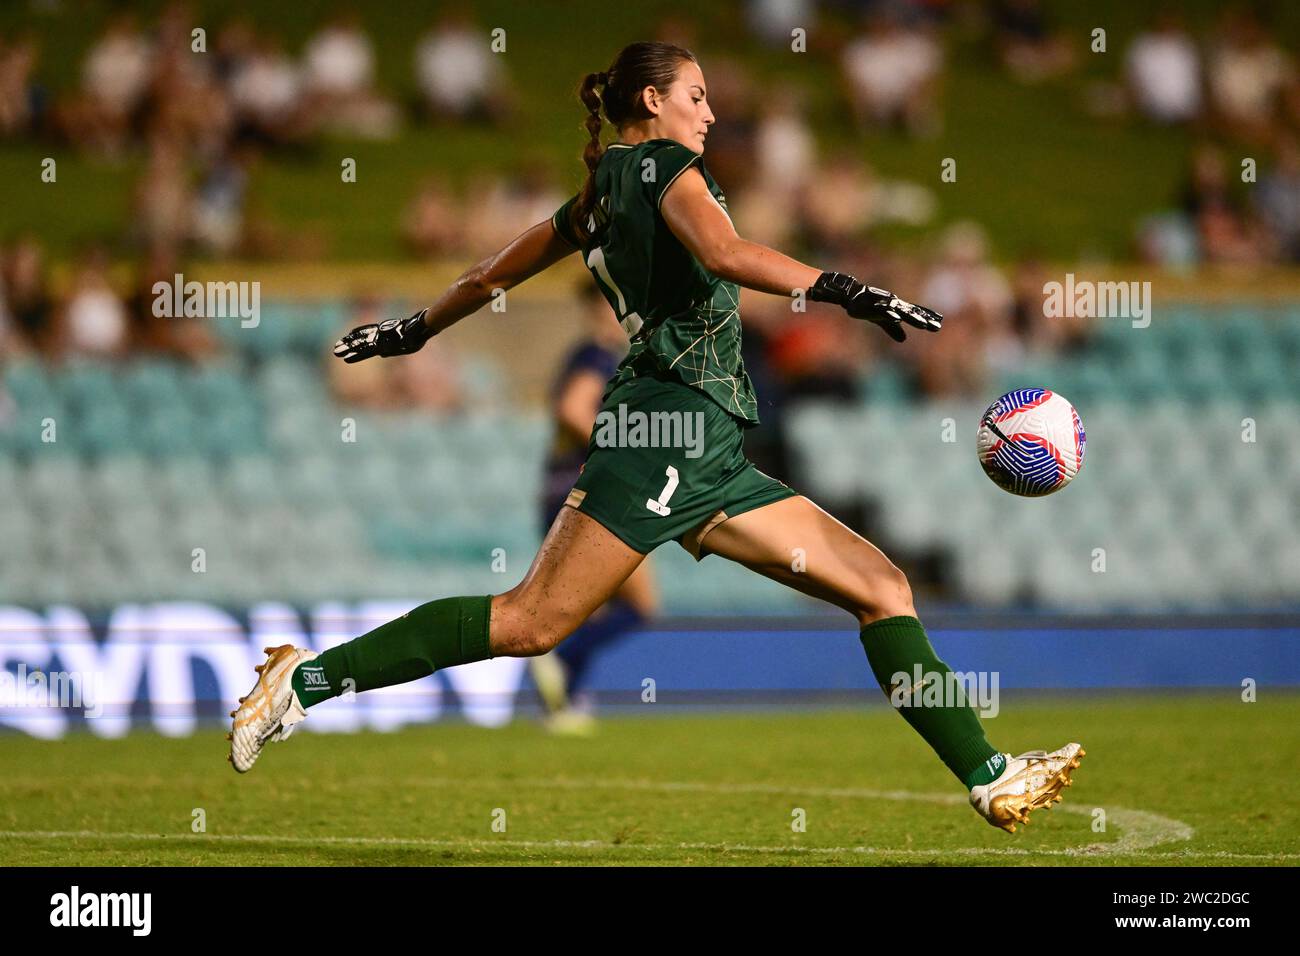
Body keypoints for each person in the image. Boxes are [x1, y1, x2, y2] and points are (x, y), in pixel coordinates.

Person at [230, 41, 1083, 833]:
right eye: (697, 96)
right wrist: (848, 290)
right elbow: (725, 252)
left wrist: (411, 331)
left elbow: (492, 274)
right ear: (653, 99)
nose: (710, 116)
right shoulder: (663, 165)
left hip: (706, 449)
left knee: (880, 585)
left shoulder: (600, 193)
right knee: (530, 623)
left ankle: (988, 772)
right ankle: (303, 683)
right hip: (663, 431)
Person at [529, 280, 659, 734]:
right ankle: (560, 659)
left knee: (589, 604)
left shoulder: (598, 355)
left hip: (567, 487)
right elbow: (572, 409)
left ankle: (565, 702)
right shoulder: (596, 355)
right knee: (639, 604)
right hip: (586, 488)